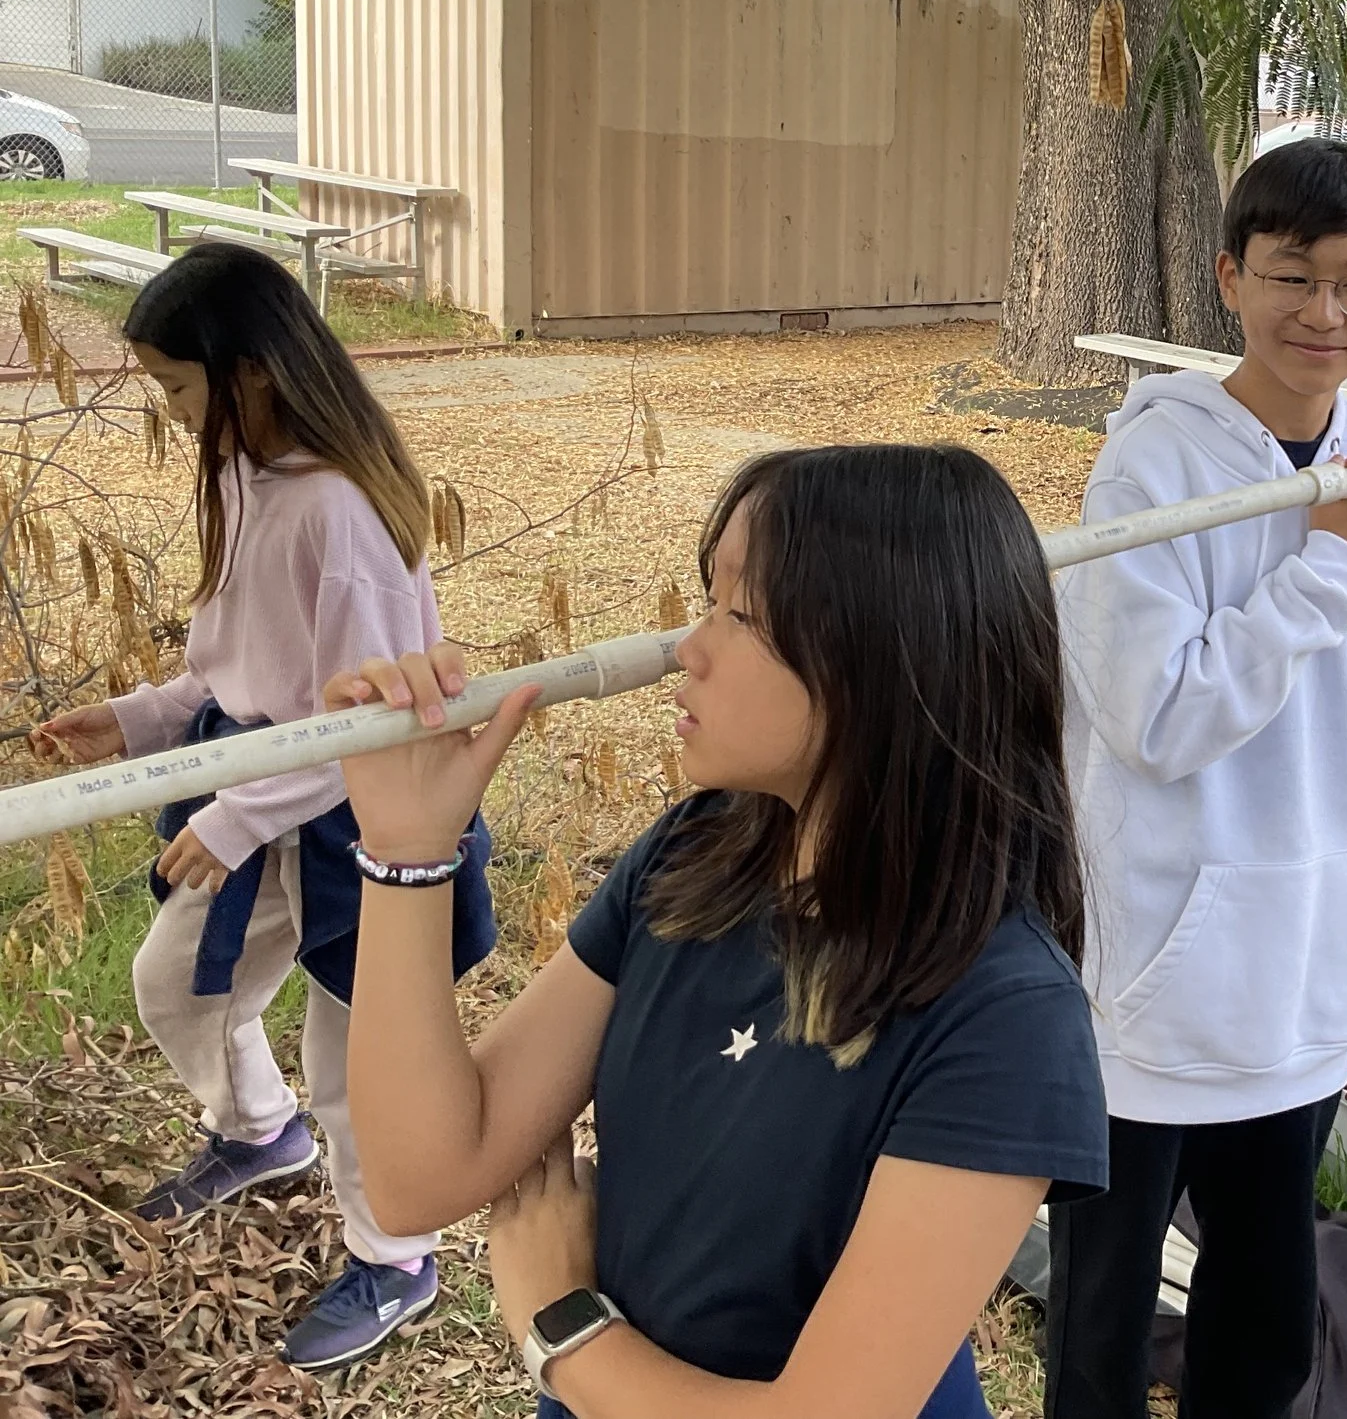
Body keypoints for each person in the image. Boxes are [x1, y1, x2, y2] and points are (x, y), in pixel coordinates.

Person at [324, 445, 1107, 1418]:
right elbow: (418, 1177)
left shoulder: (1005, 1015)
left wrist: (559, 1328)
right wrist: (407, 853)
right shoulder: (698, 857)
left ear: (885, 655)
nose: (689, 646)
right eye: (710, 598)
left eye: (742, 614)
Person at [1046, 138, 1347, 1419]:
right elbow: (1157, 719)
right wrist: (1326, 567)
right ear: (1230, 277)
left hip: (1304, 979)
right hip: (1156, 980)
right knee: (1100, 1319)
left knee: (1264, 1318)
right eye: (1290, 277)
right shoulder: (1151, 469)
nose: (1323, 314)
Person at [31, 242, 475, 1371]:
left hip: (361, 827)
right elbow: (231, 668)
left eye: (179, 388)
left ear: (252, 373)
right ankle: (257, 1133)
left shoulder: (344, 518)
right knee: (175, 985)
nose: (173, 413)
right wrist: (137, 721)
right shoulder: (246, 480)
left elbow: (365, 734)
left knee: (354, 1065)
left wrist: (229, 823)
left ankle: (398, 1257)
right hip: (257, 788)